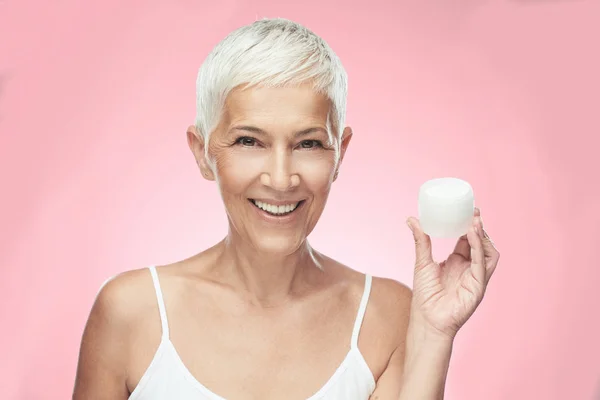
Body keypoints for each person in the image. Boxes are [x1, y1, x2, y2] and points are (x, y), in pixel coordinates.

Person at [72, 17, 500, 400]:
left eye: (308, 143)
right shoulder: (130, 312)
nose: (281, 179)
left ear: (340, 154)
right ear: (203, 153)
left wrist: (434, 333)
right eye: (249, 141)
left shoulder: (389, 316)